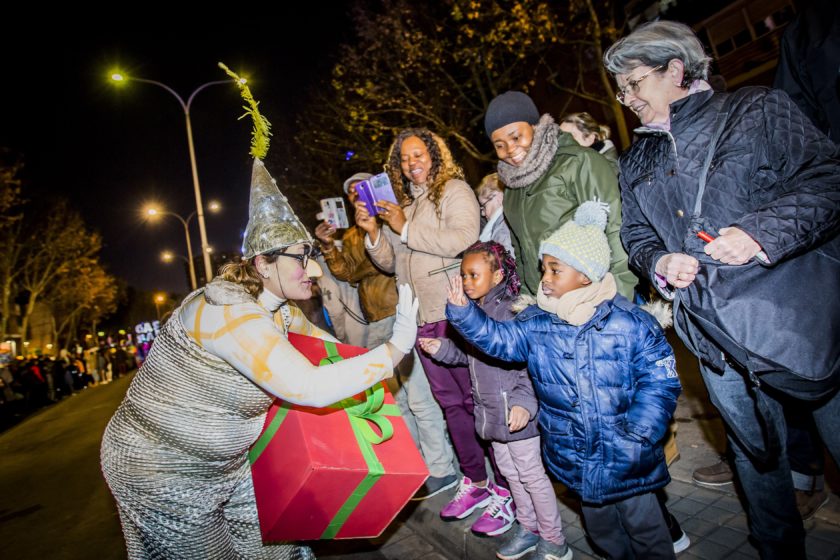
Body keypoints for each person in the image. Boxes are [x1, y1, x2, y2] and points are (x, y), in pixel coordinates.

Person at [100, 157, 419, 559]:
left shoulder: (279, 309)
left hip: (230, 463)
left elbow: (332, 353)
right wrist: (395, 349)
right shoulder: (229, 311)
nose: (314, 270)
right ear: (263, 263)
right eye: (300, 257)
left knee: (277, 546)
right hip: (161, 468)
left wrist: (378, 371)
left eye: (310, 255)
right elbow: (309, 387)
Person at [604, 20, 840, 558]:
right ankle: (778, 547)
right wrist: (660, 260)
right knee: (754, 453)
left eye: (635, 84)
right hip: (713, 333)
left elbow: (828, 180)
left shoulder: (757, 110)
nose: (627, 98)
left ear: (676, 71)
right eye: (621, 89)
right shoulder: (636, 158)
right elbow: (636, 234)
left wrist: (760, 233)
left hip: (793, 315)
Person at [446, 202, 681, 560]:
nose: (545, 279)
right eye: (544, 269)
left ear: (585, 275)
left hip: (628, 454)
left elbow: (660, 382)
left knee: (646, 532)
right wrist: (464, 314)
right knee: (603, 532)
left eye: (556, 270)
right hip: (575, 456)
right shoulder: (539, 321)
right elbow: (501, 341)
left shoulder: (629, 323)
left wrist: (640, 433)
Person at [358, 128, 509, 533]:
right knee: (450, 405)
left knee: (477, 400)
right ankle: (475, 480)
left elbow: (463, 239)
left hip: (454, 309)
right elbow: (393, 262)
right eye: (405, 158)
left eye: (418, 154)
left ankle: (506, 488)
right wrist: (375, 232)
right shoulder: (403, 202)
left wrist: (405, 226)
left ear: (434, 155)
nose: (412, 163)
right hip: (420, 316)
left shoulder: (454, 190)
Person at [419, 241, 568, 559]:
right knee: (512, 475)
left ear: (498, 274)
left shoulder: (511, 312)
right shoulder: (476, 313)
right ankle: (528, 529)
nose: (468, 282)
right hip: (490, 414)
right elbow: (469, 355)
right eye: (464, 275)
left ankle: (554, 539)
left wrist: (524, 403)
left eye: (474, 275)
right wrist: (442, 349)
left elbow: (530, 362)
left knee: (531, 475)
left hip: (515, 413)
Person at [315, 171, 458, 498]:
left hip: (401, 315)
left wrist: (375, 230)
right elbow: (347, 273)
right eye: (350, 194)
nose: (356, 197)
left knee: (420, 398)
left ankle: (443, 468)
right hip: (374, 323)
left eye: (360, 189)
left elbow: (388, 264)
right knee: (397, 400)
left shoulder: (396, 218)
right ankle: (418, 466)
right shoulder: (352, 234)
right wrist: (328, 246)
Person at [483, 91, 635, 298]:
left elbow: (614, 229)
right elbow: (522, 254)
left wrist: (620, 297)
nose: (510, 149)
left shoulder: (578, 162)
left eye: (516, 137)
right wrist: (528, 301)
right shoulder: (511, 190)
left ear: (536, 127)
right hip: (547, 302)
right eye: (499, 145)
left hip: (591, 297)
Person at [475, 173, 515, 257]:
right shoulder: (502, 225)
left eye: (484, 205)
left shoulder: (503, 229)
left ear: (499, 198)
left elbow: (508, 262)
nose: (483, 213)